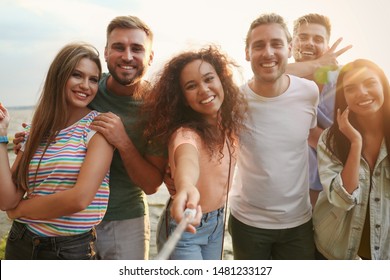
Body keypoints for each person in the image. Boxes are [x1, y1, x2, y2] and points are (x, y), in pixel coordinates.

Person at [12, 15, 167, 260]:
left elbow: (151, 186)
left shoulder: (158, 110)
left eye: (137, 48)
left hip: (124, 220)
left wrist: (123, 141)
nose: (127, 56)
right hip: (66, 224)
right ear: (106, 53)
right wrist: (32, 139)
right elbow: (57, 119)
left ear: (150, 56)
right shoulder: (89, 86)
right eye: (118, 47)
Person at [0, 42, 114, 260]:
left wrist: (20, 211)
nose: (85, 85)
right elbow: (7, 200)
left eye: (93, 79)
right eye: (77, 75)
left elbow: (80, 199)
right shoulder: (36, 130)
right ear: (59, 77)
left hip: (68, 250)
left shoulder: (98, 128)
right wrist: (1, 135)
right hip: (21, 242)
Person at [228, 13, 319, 259]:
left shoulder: (309, 92)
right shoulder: (234, 101)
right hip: (247, 223)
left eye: (276, 44)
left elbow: (309, 135)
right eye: (258, 45)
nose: (268, 52)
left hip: (298, 222)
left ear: (290, 49)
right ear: (247, 53)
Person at [143, 46, 247, 259]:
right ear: (182, 98)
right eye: (191, 86)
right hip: (186, 226)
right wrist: (186, 187)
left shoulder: (230, 124)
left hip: (218, 223)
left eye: (209, 79)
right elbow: (187, 160)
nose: (204, 89)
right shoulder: (185, 134)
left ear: (222, 80)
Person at [313, 59, 390, 260]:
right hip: (334, 250)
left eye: (370, 83)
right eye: (351, 88)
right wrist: (356, 143)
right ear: (343, 96)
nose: (362, 92)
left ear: (383, 85)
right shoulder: (331, 138)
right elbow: (341, 198)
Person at [287, 13, 352, 207]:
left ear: (327, 46)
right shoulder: (282, 82)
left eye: (318, 39)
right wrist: (316, 64)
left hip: (338, 184)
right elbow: (266, 73)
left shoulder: (344, 78)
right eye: (303, 37)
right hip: (291, 189)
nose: (309, 43)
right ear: (290, 45)